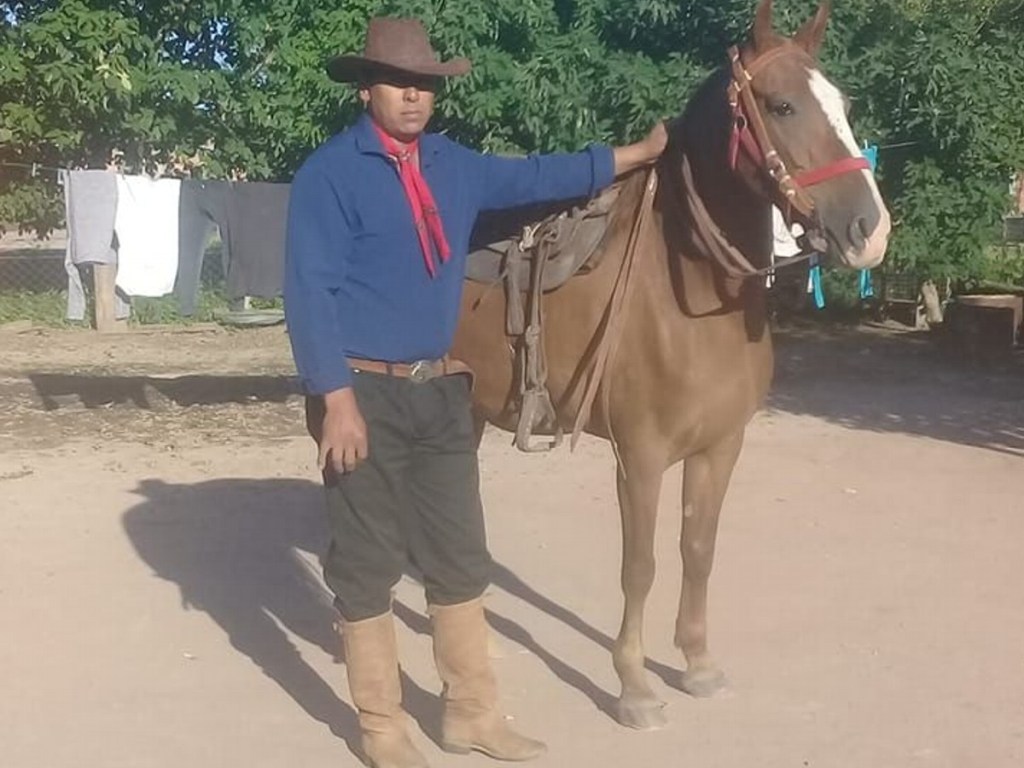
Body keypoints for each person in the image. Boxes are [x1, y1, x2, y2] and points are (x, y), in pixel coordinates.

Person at [284, 17, 666, 768]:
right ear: (368, 88)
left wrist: (640, 154)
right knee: (365, 563)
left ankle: (470, 714)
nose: (414, 97)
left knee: (461, 559)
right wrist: (334, 398)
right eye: (400, 83)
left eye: (425, 85)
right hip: (360, 392)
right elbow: (308, 293)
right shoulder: (329, 175)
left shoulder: (453, 166)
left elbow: (542, 176)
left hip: (438, 391)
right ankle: (384, 730)